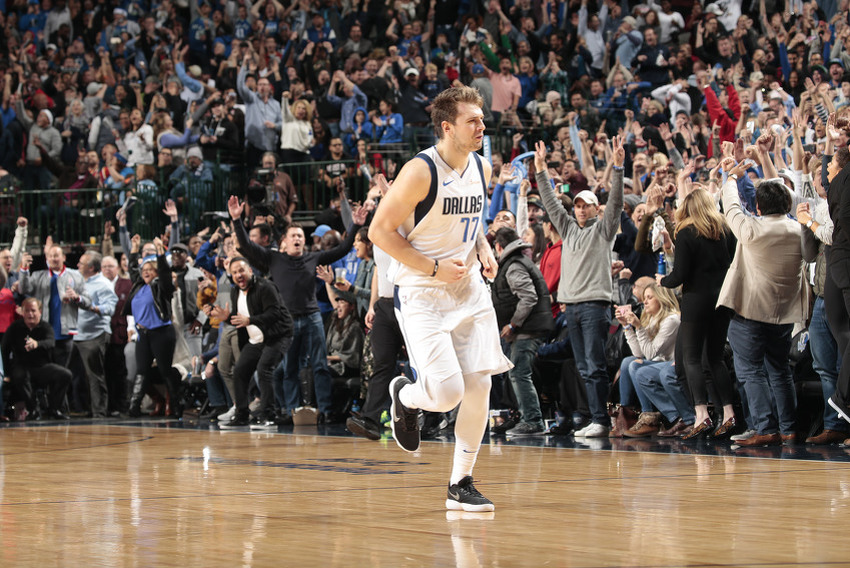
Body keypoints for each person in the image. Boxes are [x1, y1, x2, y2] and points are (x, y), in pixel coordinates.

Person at [369, 86, 512, 512]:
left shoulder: (482, 167)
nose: (482, 126)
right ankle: (406, 398)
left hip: (467, 289)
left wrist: (483, 250)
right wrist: (432, 268)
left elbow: (472, 223)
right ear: (447, 127)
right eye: (473, 121)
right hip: (422, 291)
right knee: (447, 392)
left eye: (482, 119)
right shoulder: (419, 171)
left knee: (480, 384)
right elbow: (379, 231)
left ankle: (460, 482)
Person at [534, 136, 625, 438]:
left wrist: (619, 167)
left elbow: (615, 204)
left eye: (587, 205)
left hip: (595, 307)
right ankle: (592, 417)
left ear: (597, 210)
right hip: (571, 307)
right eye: (578, 205)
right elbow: (549, 201)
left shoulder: (603, 230)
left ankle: (601, 419)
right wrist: (540, 171)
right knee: (584, 367)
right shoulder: (568, 229)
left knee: (595, 366)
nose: (581, 209)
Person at [718, 159, 811, 447]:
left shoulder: (751, 229)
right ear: (788, 204)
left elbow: (731, 207)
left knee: (750, 371)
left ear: (758, 208)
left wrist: (731, 178)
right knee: (780, 370)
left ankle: (764, 427)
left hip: (748, 312)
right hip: (784, 314)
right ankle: (788, 429)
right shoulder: (799, 231)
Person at [658, 187, 737, 440]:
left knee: (692, 359)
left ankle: (701, 415)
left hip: (696, 301)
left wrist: (662, 281)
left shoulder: (686, 231)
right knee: (715, 359)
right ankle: (729, 413)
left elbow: (680, 275)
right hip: (723, 299)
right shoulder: (725, 229)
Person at [210, 257, 293, 429]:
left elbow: (274, 314)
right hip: (256, 339)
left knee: (264, 370)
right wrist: (227, 318)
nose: (238, 275)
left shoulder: (266, 287)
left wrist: (250, 320)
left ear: (250, 271)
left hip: (278, 336)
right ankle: (242, 414)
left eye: (241, 270)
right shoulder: (235, 292)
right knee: (240, 370)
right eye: (234, 272)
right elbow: (241, 320)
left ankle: (269, 416)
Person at [491, 227, 554, 436]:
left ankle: (533, 420)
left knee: (519, 373)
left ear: (499, 246)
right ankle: (525, 416)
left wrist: (513, 324)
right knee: (517, 373)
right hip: (528, 329)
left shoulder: (514, 266)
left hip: (528, 330)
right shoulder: (517, 261)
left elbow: (529, 297)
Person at [124, 237, 184, 418]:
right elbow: (132, 270)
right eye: (145, 270)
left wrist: (159, 255)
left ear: (157, 272)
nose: (146, 272)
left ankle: (176, 407)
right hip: (143, 334)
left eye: (151, 270)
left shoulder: (161, 286)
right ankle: (134, 408)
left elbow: (166, 274)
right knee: (142, 371)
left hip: (162, 333)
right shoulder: (138, 286)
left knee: (165, 370)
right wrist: (134, 249)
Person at [66, 251, 118, 419]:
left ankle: (99, 413)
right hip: (76, 334)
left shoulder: (103, 284)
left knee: (95, 376)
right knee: (79, 377)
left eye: (82, 264)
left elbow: (110, 308)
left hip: (95, 335)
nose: (78, 266)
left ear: (91, 268)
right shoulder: (77, 280)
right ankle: (82, 408)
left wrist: (89, 306)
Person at [2, 298, 72, 421]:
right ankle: (33, 409)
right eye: (27, 311)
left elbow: (51, 342)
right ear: (22, 312)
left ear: (39, 312)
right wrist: (6, 373)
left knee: (65, 374)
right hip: (21, 366)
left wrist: (37, 344)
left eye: (33, 311)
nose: (30, 314)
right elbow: (4, 348)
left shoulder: (45, 327)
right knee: (19, 375)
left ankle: (54, 409)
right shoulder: (15, 327)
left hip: (41, 367)